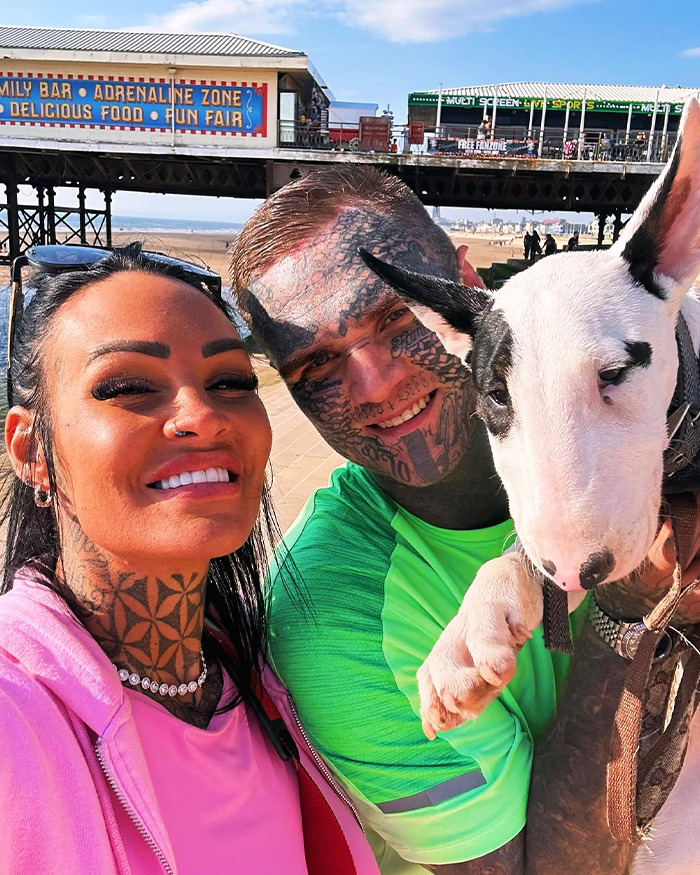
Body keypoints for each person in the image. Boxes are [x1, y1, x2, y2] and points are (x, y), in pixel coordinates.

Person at [230, 166, 700, 873]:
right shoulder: (337, 615)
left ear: (460, 287)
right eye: (317, 365)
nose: (376, 384)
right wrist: (627, 607)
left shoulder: (632, 362)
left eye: (395, 318)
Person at [0, 243, 378, 875]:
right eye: (127, 387)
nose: (202, 416)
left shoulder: (269, 686)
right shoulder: (18, 713)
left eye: (230, 382)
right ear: (32, 451)